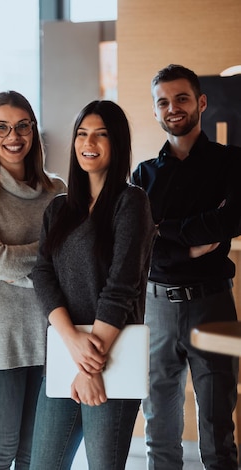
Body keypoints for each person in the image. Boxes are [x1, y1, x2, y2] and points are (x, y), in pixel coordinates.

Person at [30, 100, 155, 469]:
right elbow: (42, 274)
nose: (89, 142)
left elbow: (122, 285)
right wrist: (71, 342)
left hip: (112, 354)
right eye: (82, 134)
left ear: (116, 143)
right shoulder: (59, 208)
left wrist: (90, 366)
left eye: (101, 135)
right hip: (67, 352)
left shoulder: (131, 201)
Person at [132, 64, 241, 469]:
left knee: (217, 428)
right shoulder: (142, 175)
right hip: (155, 307)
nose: (172, 108)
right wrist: (189, 247)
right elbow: (138, 246)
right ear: (155, 110)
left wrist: (166, 231)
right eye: (163, 102)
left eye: (181, 99)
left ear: (202, 102)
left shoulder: (231, 163)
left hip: (211, 305)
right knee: (158, 425)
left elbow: (230, 221)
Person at [0, 91, 66, 470]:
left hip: (53, 335)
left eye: (23, 125)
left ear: (34, 131)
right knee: (0, 451)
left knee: (33, 453)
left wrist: (44, 260)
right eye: (1, 127)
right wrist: (50, 252)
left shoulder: (58, 191)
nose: (13, 135)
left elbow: (71, 262)